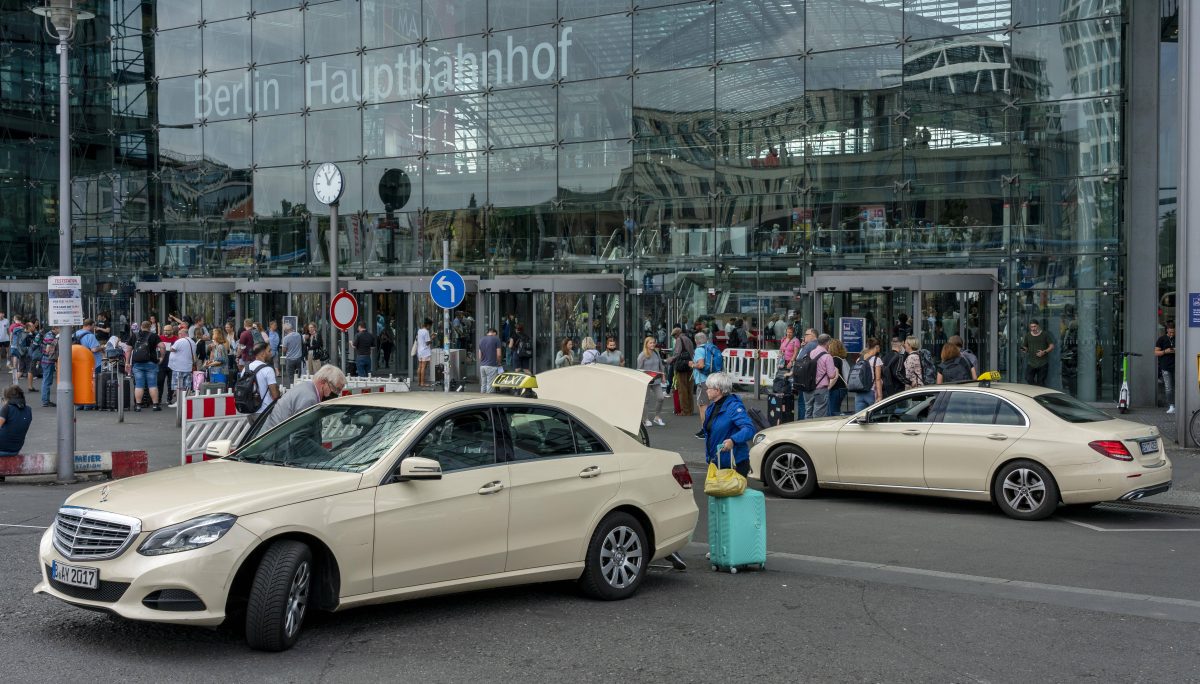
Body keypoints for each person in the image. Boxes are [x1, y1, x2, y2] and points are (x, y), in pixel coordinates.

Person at [256, 363, 347, 435]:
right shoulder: (309, 399)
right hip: (275, 448)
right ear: (323, 382)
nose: (337, 394)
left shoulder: (307, 389)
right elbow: (299, 439)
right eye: (336, 389)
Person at [701, 372, 756, 477]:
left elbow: (749, 429)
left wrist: (733, 440)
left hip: (734, 464)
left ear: (718, 390)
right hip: (717, 462)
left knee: (730, 493)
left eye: (709, 388)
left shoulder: (734, 407)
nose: (706, 390)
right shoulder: (711, 407)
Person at [690, 331, 719, 437]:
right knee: (710, 405)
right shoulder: (710, 348)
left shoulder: (699, 350)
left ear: (695, 341)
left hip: (702, 381)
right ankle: (709, 428)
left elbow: (701, 365)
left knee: (703, 405)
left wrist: (692, 364)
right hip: (711, 379)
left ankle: (705, 430)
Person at [244, 342, 281, 423]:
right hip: (264, 411)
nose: (271, 353)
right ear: (263, 354)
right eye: (269, 351)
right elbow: (275, 395)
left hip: (250, 410)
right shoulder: (268, 369)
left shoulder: (246, 368)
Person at [130, 321, 162, 412]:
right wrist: (162, 357)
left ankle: (138, 406)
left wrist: (127, 363)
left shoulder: (134, 335)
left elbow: (128, 349)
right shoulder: (154, 336)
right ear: (150, 327)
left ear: (141, 326)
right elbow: (162, 346)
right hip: (151, 363)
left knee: (139, 385)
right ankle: (155, 405)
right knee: (152, 385)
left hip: (137, 364)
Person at [803, 334, 837, 418]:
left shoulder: (810, 353)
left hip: (808, 388)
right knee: (819, 413)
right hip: (820, 389)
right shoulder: (827, 356)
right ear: (827, 343)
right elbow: (831, 375)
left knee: (808, 411)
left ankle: (806, 429)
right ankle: (816, 430)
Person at [636, 336, 667, 427]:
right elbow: (639, 369)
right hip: (646, 380)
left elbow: (661, 366)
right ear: (646, 344)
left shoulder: (656, 352)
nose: (653, 344)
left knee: (661, 397)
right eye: (651, 343)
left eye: (654, 342)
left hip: (656, 380)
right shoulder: (642, 355)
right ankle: (645, 419)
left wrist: (663, 376)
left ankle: (657, 417)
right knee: (646, 400)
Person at [666, 327, 696, 417]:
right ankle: (690, 409)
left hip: (681, 366)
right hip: (690, 365)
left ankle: (685, 411)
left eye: (674, 336)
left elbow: (677, 354)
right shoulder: (689, 339)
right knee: (689, 389)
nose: (674, 338)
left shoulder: (679, 339)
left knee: (682, 389)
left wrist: (669, 360)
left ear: (676, 334)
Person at [167, 325, 198, 408]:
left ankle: (179, 402)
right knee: (186, 386)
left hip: (178, 367)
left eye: (179, 334)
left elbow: (172, 349)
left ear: (183, 334)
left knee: (178, 386)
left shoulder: (180, 341)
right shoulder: (192, 342)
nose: (178, 335)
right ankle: (185, 401)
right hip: (188, 367)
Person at [852, 337, 885, 412]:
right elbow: (877, 379)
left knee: (859, 417)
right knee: (874, 417)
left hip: (859, 392)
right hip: (871, 392)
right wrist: (880, 396)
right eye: (879, 347)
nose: (879, 349)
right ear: (876, 347)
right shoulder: (877, 360)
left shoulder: (859, 359)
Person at [1019, 320, 1055, 386]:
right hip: (1031, 362)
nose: (1033, 328)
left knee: (1041, 381)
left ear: (1038, 326)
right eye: (1031, 327)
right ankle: (1036, 389)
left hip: (1043, 362)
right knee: (1028, 378)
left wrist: (1044, 352)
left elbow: (1052, 346)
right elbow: (1025, 346)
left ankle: (1041, 394)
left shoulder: (1045, 334)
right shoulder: (1028, 335)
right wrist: (1024, 349)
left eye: (1034, 326)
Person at [0, 386, 33, 457]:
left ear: (7, 398)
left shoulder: (6, 409)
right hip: (15, 450)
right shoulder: (28, 410)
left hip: (2, 449)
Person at [1155, 321, 1176, 414]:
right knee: (1168, 387)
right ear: (1167, 330)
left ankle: (1178, 405)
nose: (1172, 334)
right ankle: (1171, 405)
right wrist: (1165, 351)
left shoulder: (1177, 338)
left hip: (1176, 366)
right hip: (1165, 366)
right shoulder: (1161, 339)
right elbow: (1156, 352)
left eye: (1173, 332)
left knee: (1177, 387)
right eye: (1170, 332)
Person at [826, 338, 850, 416]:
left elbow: (835, 376)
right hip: (842, 388)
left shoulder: (835, 359)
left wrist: (828, 388)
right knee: (836, 409)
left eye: (829, 346)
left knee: (832, 412)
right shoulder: (843, 359)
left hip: (836, 389)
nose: (828, 348)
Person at [477, 327, 504, 393]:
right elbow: (499, 354)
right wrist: (499, 363)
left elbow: (480, 356)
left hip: (482, 366)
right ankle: (488, 400)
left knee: (483, 384)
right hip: (491, 366)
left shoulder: (481, 340)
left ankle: (481, 400)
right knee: (490, 386)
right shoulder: (496, 339)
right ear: (494, 333)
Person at [156, 323, 177, 406]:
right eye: (165, 330)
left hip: (172, 364)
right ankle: (159, 399)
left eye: (168, 330)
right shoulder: (160, 338)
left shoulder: (176, 339)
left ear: (172, 330)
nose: (166, 332)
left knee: (171, 383)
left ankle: (169, 399)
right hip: (161, 364)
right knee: (159, 382)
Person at [38, 328, 59, 408]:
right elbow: (48, 350)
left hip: (46, 360)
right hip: (48, 361)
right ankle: (46, 401)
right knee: (47, 380)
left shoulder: (49, 334)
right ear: (55, 329)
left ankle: (45, 400)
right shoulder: (50, 336)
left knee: (46, 380)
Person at [413, 319, 431, 386]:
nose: (430, 327)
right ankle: (423, 383)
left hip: (419, 351)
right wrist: (432, 338)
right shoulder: (426, 332)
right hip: (425, 351)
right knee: (423, 367)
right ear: (428, 325)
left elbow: (421, 340)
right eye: (430, 326)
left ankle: (419, 382)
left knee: (419, 367)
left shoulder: (419, 331)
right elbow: (427, 342)